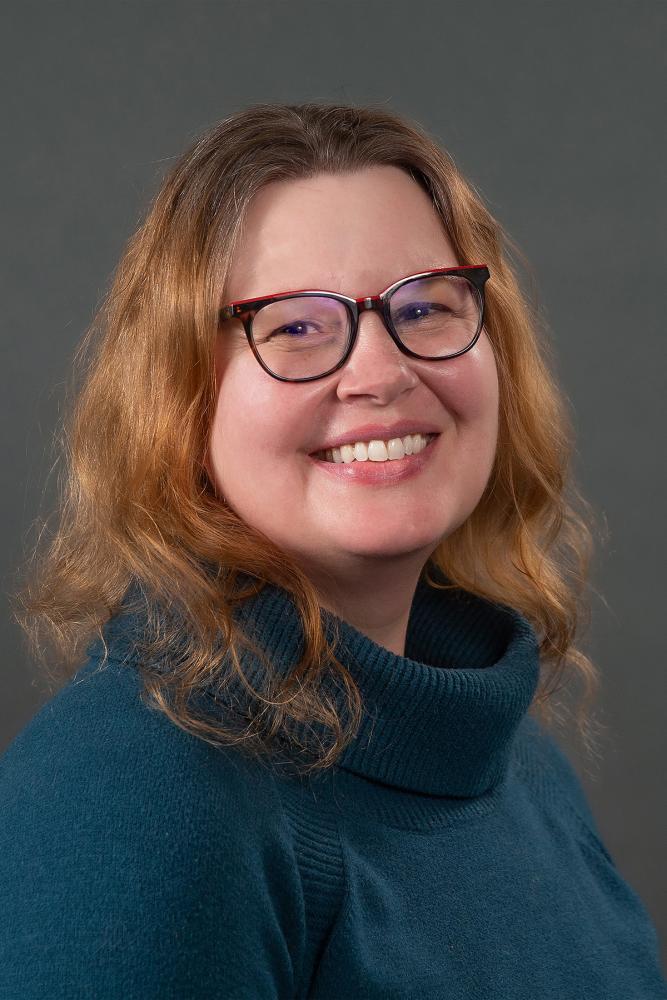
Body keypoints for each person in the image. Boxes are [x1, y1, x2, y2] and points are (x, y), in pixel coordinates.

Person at [1, 102, 665, 999]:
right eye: (296, 326)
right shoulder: (128, 802)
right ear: (180, 394)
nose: (382, 372)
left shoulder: (499, 752)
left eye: (425, 306)